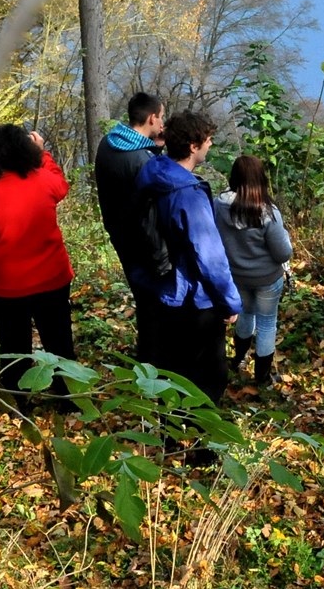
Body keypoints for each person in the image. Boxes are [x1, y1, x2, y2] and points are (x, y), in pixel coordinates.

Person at [131, 111, 243, 461]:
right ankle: (201, 450)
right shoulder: (187, 194)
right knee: (209, 376)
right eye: (207, 140)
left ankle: (167, 439)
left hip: (159, 288)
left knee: (170, 369)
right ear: (194, 146)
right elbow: (209, 256)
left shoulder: (152, 173)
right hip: (192, 297)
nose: (211, 144)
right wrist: (230, 302)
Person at [0, 125, 76, 407]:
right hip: (52, 280)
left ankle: (19, 403)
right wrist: (43, 153)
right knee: (59, 342)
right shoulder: (44, 181)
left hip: (8, 288)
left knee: (14, 348)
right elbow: (61, 184)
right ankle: (69, 399)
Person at [95, 92, 167, 358]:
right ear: (152, 118)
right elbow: (152, 210)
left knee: (144, 302)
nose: (163, 124)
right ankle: (153, 363)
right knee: (155, 308)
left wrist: (155, 149)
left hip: (120, 235)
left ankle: (148, 359)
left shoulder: (109, 142)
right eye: (161, 117)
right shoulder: (142, 161)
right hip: (144, 245)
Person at [214, 155, 293, 386]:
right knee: (267, 322)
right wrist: (286, 237)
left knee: (245, 314)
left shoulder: (218, 205)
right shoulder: (267, 212)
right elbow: (283, 253)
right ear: (261, 179)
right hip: (267, 278)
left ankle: (238, 358)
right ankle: (262, 376)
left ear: (234, 177)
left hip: (235, 275)